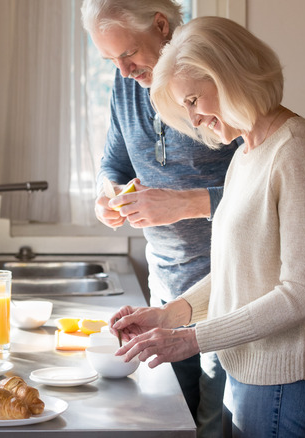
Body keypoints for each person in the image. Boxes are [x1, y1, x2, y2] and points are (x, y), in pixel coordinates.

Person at [111, 16, 305, 437]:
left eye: (195, 100)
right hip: (253, 375)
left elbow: (303, 294)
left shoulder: (296, 153)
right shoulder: (248, 152)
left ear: (231, 75)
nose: (195, 120)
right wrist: (169, 316)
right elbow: (241, 270)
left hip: (282, 382)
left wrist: (193, 339)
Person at [81, 1, 240, 436]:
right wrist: (107, 193)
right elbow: (113, 162)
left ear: (160, 25)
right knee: (170, 419)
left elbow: (265, 193)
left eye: (128, 54)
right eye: (110, 60)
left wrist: (186, 203)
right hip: (165, 288)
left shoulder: (215, 79)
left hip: (227, 292)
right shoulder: (125, 87)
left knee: (212, 426)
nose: (123, 69)